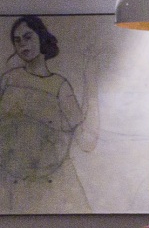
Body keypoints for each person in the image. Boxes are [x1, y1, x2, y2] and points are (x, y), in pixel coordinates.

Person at [0, 15, 92, 208]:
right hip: (10, 182)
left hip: (51, 184)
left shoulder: (60, 86)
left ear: (41, 38)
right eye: (17, 41)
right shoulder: (8, 80)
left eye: (28, 37)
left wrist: (91, 81)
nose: (23, 45)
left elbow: (85, 139)